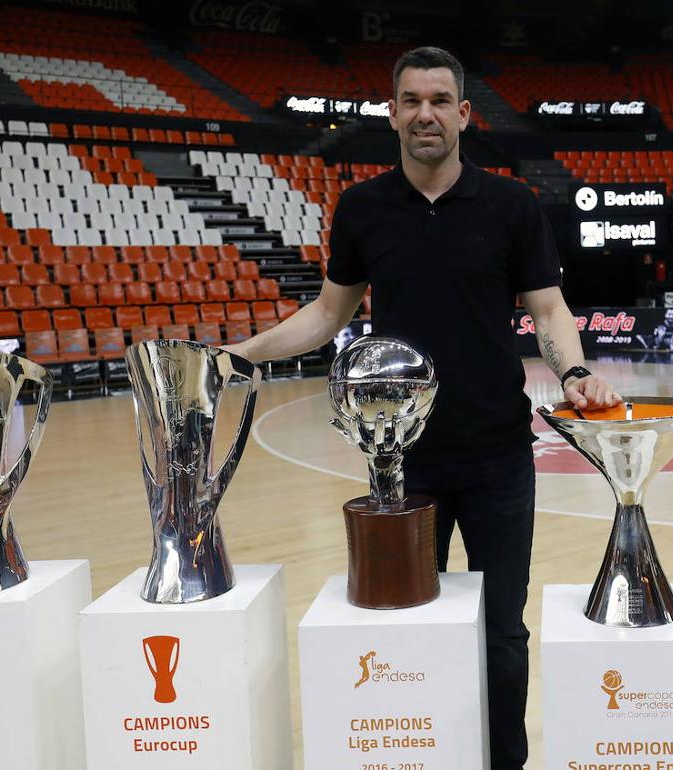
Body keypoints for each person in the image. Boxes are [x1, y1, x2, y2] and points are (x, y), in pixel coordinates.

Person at [226, 46, 620, 770]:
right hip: (399, 464)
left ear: (464, 114)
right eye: (412, 101)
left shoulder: (512, 206)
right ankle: (426, 754)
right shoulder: (362, 208)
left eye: (440, 100)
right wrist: (238, 355)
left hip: (500, 457)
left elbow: (549, 307)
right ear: (393, 113)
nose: (426, 114)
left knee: (503, 632)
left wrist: (576, 371)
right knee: (408, 624)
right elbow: (326, 315)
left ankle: (503, 762)